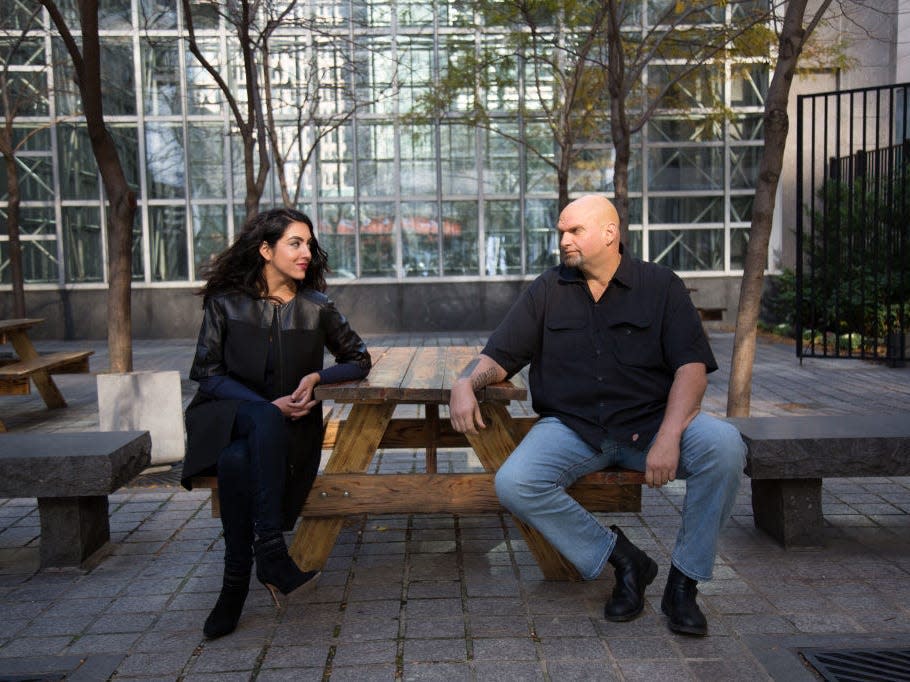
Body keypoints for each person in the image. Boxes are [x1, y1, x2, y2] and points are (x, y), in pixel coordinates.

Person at [449, 195, 745, 636]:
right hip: (574, 428)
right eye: (561, 232)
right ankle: (626, 560)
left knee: (724, 446)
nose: (564, 241)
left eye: (575, 231)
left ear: (610, 233)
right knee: (515, 483)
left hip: (650, 424)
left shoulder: (660, 285)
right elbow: (499, 356)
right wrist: (464, 383)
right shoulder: (549, 288)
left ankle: (683, 584)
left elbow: (692, 369)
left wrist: (668, 436)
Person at [181, 207, 371, 639]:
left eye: (308, 244)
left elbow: (359, 359)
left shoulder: (317, 306)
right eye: (295, 243)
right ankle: (270, 554)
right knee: (250, 431)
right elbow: (207, 374)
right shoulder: (224, 303)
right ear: (266, 250)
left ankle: (235, 585)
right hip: (225, 416)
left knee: (235, 464)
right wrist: (269, 407)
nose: (307, 252)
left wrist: (318, 376)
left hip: (287, 437)